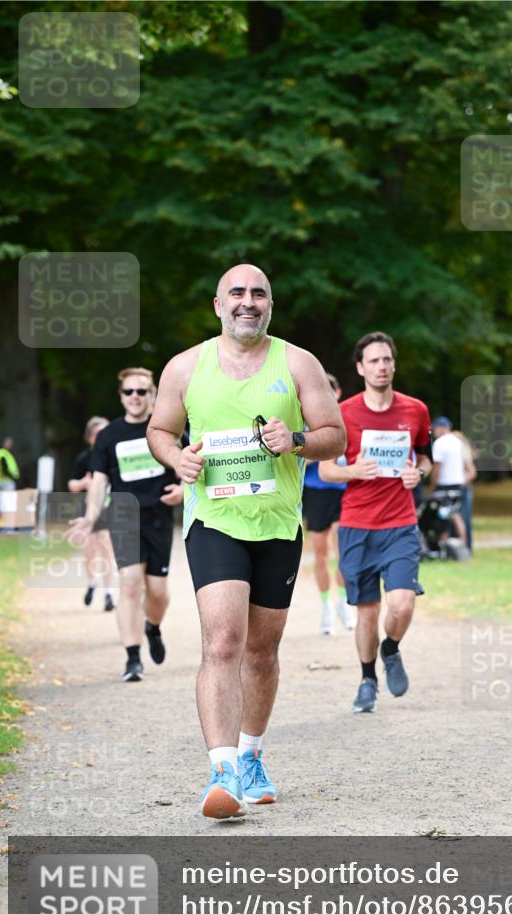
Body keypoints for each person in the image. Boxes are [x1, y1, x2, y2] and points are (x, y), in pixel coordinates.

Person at [146, 263, 346, 820]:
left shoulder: (298, 363)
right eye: (236, 292)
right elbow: (159, 430)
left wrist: (296, 439)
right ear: (218, 305)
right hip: (214, 519)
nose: (247, 301)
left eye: (259, 293)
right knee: (223, 642)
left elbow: (335, 437)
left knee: (262, 650)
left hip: (278, 523)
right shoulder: (185, 366)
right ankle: (223, 769)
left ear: (270, 305)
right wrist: (177, 457)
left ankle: (252, 754)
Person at [318, 332, 432, 714]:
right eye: (373, 361)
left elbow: (425, 457)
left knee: (401, 605)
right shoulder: (343, 413)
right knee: (367, 611)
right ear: (360, 368)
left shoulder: (416, 410)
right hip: (357, 524)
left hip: (400, 523)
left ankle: (391, 648)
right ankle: (367, 680)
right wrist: (352, 470)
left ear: (394, 365)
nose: (381, 367)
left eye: (386, 360)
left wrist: (419, 473)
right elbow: (326, 469)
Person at [67, 368, 184, 681]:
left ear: (152, 394)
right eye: (129, 391)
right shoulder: (108, 436)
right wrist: (91, 516)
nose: (135, 397)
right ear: (121, 396)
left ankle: (153, 627)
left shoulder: (166, 428)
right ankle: (132, 658)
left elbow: (188, 464)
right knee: (130, 582)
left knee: (157, 591)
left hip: (158, 517)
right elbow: (99, 480)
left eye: (141, 391)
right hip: (123, 516)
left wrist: (183, 490)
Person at [303, 373, 355, 634]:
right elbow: (298, 458)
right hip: (316, 492)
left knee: (342, 549)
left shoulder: (349, 419)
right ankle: (325, 607)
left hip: (344, 491)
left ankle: (342, 603)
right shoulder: (307, 421)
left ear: (338, 392)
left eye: (330, 391)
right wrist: (318, 449)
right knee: (321, 552)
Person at [68, 416, 116, 611]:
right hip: (86, 508)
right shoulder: (84, 458)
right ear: (89, 437)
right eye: (97, 434)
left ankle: (109, 593)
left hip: (108, 508)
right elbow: (72, 484)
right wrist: (84, 483)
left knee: (106, 548)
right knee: (90, 549)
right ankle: (92, 582)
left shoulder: (115, 455)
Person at [430, 417, 467, 546]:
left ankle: (443, 543)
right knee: (455, 513)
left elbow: (437, 467)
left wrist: (433, 484)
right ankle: (463, 542)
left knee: (444, 514)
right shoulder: (458, 442)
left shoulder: (439, 443)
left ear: (441, 428)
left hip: (444, 484)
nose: (433, 431)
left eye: (434, 428)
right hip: (458, 483)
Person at [453, 429, 477, 553]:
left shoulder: (463, 454)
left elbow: (472, 473)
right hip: (462, 489)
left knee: (464, 519)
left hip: (463, 489)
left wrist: (460, 483)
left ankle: (467, 547)